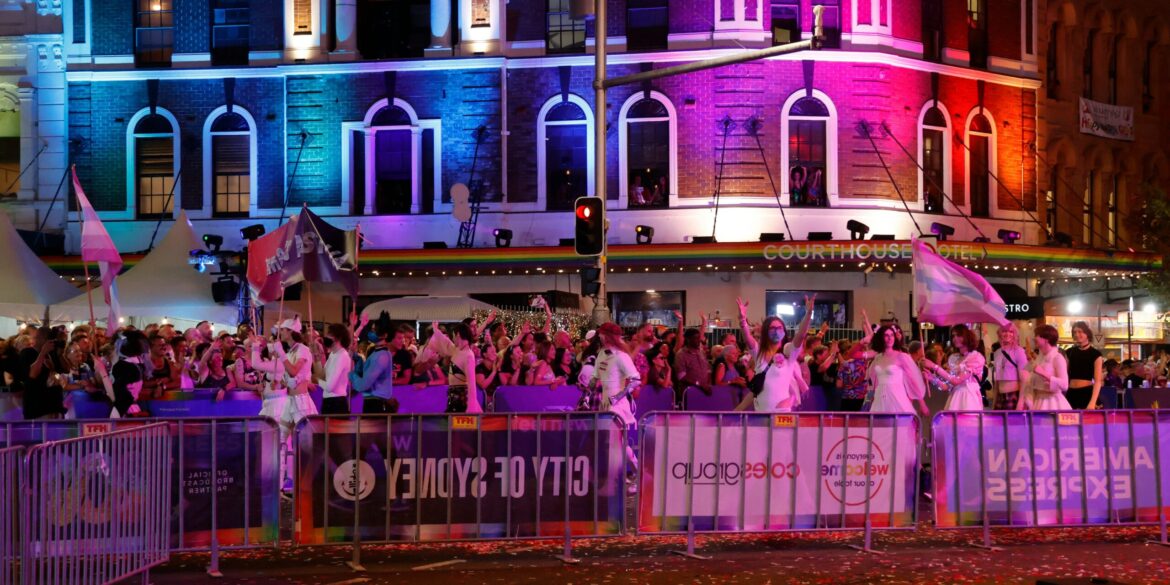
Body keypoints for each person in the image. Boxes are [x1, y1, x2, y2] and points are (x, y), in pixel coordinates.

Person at [734, 294, 815, 412]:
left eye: (779, 328)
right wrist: (742, 320)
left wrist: (808, 314)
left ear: (784, 331)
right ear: (765, 332)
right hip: (761, 412)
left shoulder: (788, 352)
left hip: (783, 413)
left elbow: (801, 335)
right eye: (772, 328)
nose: (776, 331)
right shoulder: (759, 353)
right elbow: (748, 339)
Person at [587, 322, 640, 492]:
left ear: (607, 336)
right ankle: (638, 475)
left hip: (617, 407)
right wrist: (588, 388)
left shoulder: (621, 356)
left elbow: (636, 380)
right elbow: (595, 377)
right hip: (605, 405)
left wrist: (618, 397)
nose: (600, 336)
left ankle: (612, 483)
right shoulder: (601, 354)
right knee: (619, 445)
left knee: (614, 446)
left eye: (602, 333)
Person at [867, 326, 930, 416]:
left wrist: (922, 403)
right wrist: (872, 396)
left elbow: (912, 379)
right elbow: (873, 379)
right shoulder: (877, 358)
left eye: (892, 335)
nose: (890, 338)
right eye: (886, 335)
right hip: (879, 397)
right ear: (881, 338)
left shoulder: (902, 357)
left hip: (897, 396)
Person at [924, 325, 985, 411]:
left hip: (969, 398)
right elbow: (946, 386)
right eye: (953, 336)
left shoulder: (975, 357)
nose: (955, 338)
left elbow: (956, 381)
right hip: (955, 397)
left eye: (958, 335)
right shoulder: (954, 358)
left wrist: (934, 366)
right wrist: (932, 378)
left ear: (967, 336)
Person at [426, 322, 483, 413]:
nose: (452, 339)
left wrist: (471, 407)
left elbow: (472, 384)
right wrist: (435, 330)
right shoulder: (457, 350)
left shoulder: (468, 355)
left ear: (458, 334)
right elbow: (445, 342)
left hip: (463, 401)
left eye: (453, 335)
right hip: (454, 398)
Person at [1020, 324, 1071, 411]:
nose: (1034, 338)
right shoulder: (1040, 358)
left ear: (1046, 339)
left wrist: (1044, 373)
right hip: (1038, 400)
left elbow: (1065, 385)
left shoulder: (1057, 357)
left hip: (1053, 402)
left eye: (1037, 335)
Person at [1065, 321, 1104, 409]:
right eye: (1074, 332)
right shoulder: (1069, 352)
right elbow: (1065, 375)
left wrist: (1093, 402)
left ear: (1087, 333)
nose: (1077, 334)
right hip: (1071, 393)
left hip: (1087, 393)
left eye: (1080, 331)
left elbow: (1098, 381)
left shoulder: (1096, 354)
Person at [317, 323, 354, 415]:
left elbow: (329, 387)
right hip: (328, 401)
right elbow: (322, 375)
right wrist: (317, 355)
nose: (326, 337)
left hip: (337, 403)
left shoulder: (342, 356)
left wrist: (316, 380)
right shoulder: (333, 354)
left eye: (330, 334)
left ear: (338, 338)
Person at [991, 324, 1028, 410]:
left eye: (1011, 332)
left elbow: (1024, 379)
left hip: (1013, 395)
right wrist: (994, 402)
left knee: (1013, 419)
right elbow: (997, 381)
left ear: (1015, 334)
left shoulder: (1019, 351)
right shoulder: (997, 353)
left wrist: (1021, 401)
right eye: (1004, 331)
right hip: (1000, 396)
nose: (1007, 334)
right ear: (999, 333)